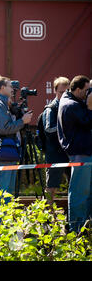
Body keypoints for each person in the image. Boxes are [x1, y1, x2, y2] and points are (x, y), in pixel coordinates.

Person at [0, 77, 33, 208]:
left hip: (7, 152)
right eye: (10, 86)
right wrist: (22, 121)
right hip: (2, 152)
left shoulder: (3, 103)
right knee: (1, 192)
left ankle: (4, 224)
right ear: (2, 88)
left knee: (7, 193)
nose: (13, 89)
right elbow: (4, 128)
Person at [57, 75, 92, 233]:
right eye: (86, 90)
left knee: (85, 192)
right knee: (79, 192)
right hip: (80, 153)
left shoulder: (72, 101)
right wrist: (90, 106)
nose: (87, 93)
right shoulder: (71, 105)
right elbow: (88, 122)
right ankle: (76, 229)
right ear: (77, 90)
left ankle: (84, 226)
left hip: (82, 152)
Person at [42, 77, 71, 203]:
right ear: (55, 91)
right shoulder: (50, 109)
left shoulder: (69, 106)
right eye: (61, 92)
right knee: (51, 186)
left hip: (68, 152)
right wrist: (65, 128)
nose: (64, 94)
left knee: (72, 184)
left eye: (67, 92)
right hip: (54, 153)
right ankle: (47, 216)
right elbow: (48, 130)